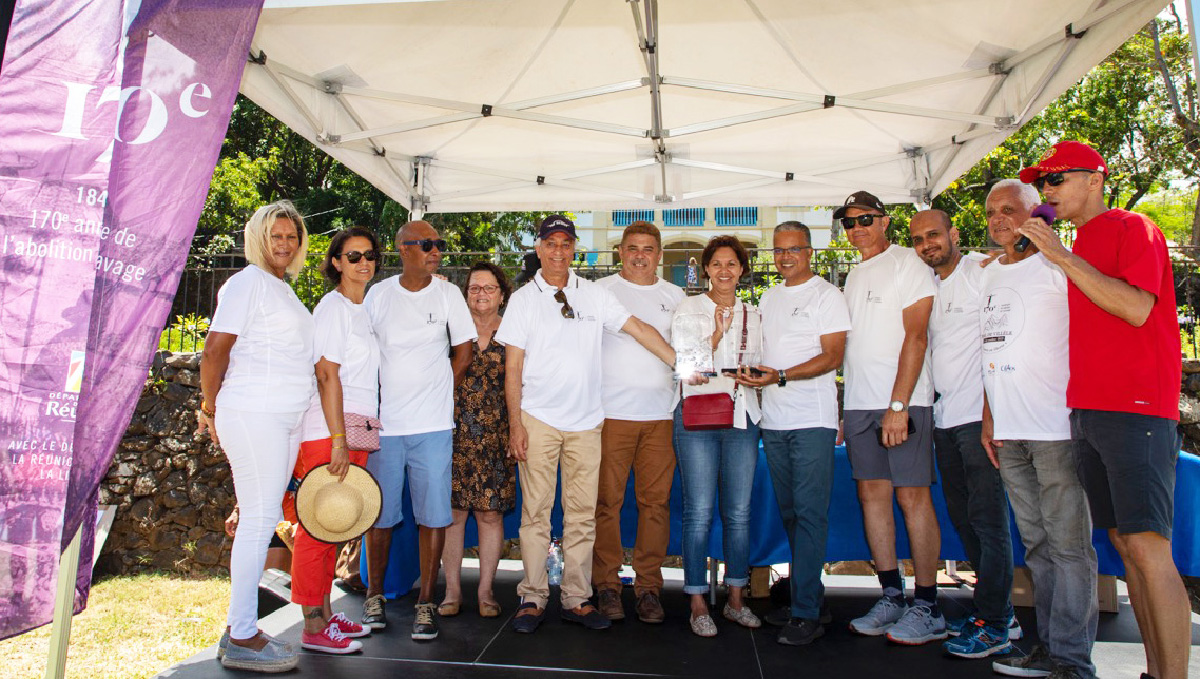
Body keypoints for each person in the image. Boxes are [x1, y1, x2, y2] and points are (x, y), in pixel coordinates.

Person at [1019, 141, 1187, 679]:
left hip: (1136, 409)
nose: (1046, 191)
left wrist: (1061, 256)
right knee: (1122, 542)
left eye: (1056, 179)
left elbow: (1137, 307)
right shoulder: (1080, 239)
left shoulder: (1132, 227)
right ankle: (1154, 670)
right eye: (1041, 183)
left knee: (1147, 546)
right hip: (1089, 411)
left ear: (1094, 178)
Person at [496, 214, 676, 635]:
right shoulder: (524, 299)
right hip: (537, 420)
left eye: (565, 243)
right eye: (551, 243)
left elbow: (637, 329)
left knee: (582, 517)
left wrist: (679, 362)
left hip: (587, 423)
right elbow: (513, 368)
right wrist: (515, 426)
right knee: (536, 514)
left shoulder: (594, 295)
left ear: (574, 248)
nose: (559, 250)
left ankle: (577, 598)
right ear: (539, 248)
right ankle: (533, 596)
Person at [979, 179, 1098, 679]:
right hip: (1008, 433)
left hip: (1055, 428)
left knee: (1069, 548)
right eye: (991, 212)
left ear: (1036, 213)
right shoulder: (988, 275)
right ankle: (1048, 650)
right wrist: (989, 418)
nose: (999, 219)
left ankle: (1072, 660)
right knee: (1038, 548)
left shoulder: (1058, 266)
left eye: (1010, 209)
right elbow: (992, 349)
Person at [198, 200, 314, 673]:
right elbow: (213, 352)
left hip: (283, 417)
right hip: (254, 413)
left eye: (291, 237)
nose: (284, 244)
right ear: (257, 239)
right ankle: (242, 632)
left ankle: (242, 629)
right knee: (259, 519)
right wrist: (209, 407)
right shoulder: (246, 283)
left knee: (262, 517)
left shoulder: (281, 289)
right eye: (275, 236)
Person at [908, 209, 1019, 659]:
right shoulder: (928, 284)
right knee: (966, 519)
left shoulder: (981, 271)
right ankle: (996, 613)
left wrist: (993, 414)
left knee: (990, 522)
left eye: (934, 235)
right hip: (945, 418)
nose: (927, 244)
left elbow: (1001, 341)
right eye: (918, 239)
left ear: (954, 234)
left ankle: (996, 623)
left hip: (980, 419)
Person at [837, 191, 945, 645]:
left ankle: (928, 604)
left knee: (912, 499)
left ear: (884, 221)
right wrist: (848, 408)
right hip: (860, 404)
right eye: (849, 222)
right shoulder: (854, 275)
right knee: (872, 497)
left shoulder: (909, 262)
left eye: (865, 219)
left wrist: (898, 405)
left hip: (903, 402)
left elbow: (916, 336)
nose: (857, 228)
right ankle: (890, 596)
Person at [736, 222, 849, 646]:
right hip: (775, 421)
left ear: (809, 251)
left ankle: (805, 613)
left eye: (794, 249)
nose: (785, 257)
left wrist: (780, 376)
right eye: (779, 250)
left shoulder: (827, 295)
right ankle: (811, 600)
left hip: (811, 420)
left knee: (809, 515)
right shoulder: (769, 296)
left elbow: (833, 356)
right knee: (790, 515)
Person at [362, 221, 475, 641]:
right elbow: (360, 349)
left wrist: (442, 388)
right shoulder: (379, 295)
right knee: (380, 515)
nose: (436, 251)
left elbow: (464, 350)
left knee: (433, 517)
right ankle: (375, 596)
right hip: (385, 427)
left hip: (433, 427)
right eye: (427, 244)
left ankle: (426, 602)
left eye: (439, 244)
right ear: (403, 250)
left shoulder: (448, 294)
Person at [289, 227, 382, 654]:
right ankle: (311, 626)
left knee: (335, 524)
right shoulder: (333, 308)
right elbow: (326, 374)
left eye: (370, 254)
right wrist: (338, 439)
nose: (364, 262)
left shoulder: (361, 309)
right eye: (354, 255)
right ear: (337, 262)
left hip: (355, 425)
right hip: (330, 429)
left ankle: (325, 615)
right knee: (317, 527)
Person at [591, 221, 685, 625]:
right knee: (606, 505)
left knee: (656, 505)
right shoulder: (601, 293)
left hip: (660, 417)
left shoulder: (676, 297)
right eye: (632, 248)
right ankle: (608, 586)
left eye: (648, 248)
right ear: (621, 252)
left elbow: (687, 353)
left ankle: (648, 588)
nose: (640, 255)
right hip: (610, 416)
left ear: (659, 255)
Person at [671, 235, 764, 638]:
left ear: (741, 269)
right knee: (699, 511)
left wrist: (754, 374)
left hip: (743, 415)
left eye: (732, 264)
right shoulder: (689, 307)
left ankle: (736, 598)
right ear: (705, 269)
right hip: (698, 416)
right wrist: (717, 332)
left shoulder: (754, 312)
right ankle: (696, 600)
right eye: (716, 264)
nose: (724, 271)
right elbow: (684, 365)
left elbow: (762, 364)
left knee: (739, 514)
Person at [440, 262, 516, 619]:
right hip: (452, 433)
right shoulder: (451, 329)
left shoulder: (515, 331)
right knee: (454, 515)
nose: (481, 294)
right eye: (474, 288)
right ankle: (452, 590)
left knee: (489, 515)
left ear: (502, 293)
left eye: (489, 288)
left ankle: (486, 590)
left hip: (497, 436)